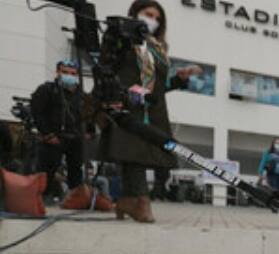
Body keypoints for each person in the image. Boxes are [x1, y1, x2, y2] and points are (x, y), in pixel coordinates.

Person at [98, 0, 201, 223]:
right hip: (127, 102)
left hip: (153, 108)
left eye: (157, 18)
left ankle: (127, 200)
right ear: (135, 13)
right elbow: (106, 66)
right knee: (131, 150)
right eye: (148, 14)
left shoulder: (159, 47)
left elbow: (157, 86)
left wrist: (178, 79)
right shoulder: (121, 36)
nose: (152, 20)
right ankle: (139, 201)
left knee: (143, 153)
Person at [31, 59, 87, 200]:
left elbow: (87, 115)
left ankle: (76, 199)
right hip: (53, 138)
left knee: (76, 171)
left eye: (73, 73)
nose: (69, 75)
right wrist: (47, 134)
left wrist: (88, 132)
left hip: (74, 138)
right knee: (47, 170)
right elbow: (37, 113)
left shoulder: (81, 95)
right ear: (58, 72)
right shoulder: (47, 89)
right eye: (65, 72)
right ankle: (41, 199)